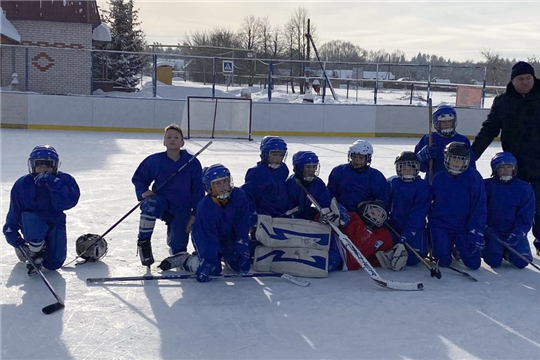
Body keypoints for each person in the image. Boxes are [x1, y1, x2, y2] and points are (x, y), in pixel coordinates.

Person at [471, 61, 540, 256]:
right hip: (512, 166)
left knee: (539, 207)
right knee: (508, 207)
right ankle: (506, 243)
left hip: (539, 164)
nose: (525, 82)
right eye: (521, 79)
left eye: (529, 78)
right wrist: (472, 155)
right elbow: (489, 129)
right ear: (513, 81)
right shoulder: (503, 102)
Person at [157, 164, 251, 283]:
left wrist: (241, 243)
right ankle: (186, 260)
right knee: (213, 270)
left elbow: (242, 221)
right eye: (217, 184)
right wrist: (208, 260)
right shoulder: (205, 207)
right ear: (209, 187)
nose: (222, 187)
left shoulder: (239, 195)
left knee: (241, 266)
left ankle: (225, 255)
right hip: (206, 238)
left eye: (225, 182)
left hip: (228, 236)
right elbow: (206, 237)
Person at [132, 123, 204, 267]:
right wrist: (143, 191)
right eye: (169, 137)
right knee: (150, 205)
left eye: (176, 137)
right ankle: (144, 243)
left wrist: (195, 214)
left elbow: (198, 190)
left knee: (178, 247)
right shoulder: (155, 160)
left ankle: (176, 257)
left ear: (182, 142)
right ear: (164, 141)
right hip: (161, 203)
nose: (172, 139)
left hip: (182, 208)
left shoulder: (192, 162)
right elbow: (139, 178)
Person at [3, 145, 80, 275]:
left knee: (53, 264)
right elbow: (15, 209)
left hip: (55, 222)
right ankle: (34, 250)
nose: (43, 169)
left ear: (55, 166)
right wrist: (11, 230)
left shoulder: (64, 180)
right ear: (32, 165)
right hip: (32, 223)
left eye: (48, 165)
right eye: (39, 165)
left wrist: (55, 184)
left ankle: (41, 248)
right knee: (31, 218)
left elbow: (68, 203)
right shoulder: (22, 184)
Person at [429, 142, 486, 270]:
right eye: (453, 158)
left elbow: (479, 206)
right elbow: (430, 203)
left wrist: (476, 230)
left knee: (473, 264)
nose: (456, 162)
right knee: (443, 261)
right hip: (441, 225)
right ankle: (444, 247)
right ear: (446, 158)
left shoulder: (473, 177)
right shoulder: (438, 178)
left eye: (460, 160)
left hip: (464, 226)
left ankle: (459, 249)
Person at [483, 152, 534, 269]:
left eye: (509, 167)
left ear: (514, 168)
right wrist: (485, 228)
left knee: (521, 262)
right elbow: (480, 209)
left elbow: (526, 215)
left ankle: (508, 252)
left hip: (513, 230)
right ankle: (495, 250)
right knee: (493, 261)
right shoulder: (486, 186)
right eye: (501, 167)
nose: (506, 170)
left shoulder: (524, 188)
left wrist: (519, 232)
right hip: (493, 231)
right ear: (495, 169)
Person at [387, 151, 431, 266]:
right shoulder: (392, 183)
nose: (407, 172)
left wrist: (406, 236)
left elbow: (419, 215)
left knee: (413, 260)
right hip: (394, 227)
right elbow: (385, 204)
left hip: (414, 229)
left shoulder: (422, 187)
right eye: (403, 168)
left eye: (410, 168)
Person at [341, 200, 407, 272]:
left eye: (379, 215)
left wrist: (390, 258)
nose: (375, 217)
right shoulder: (354, 219)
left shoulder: (383, 236)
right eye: (372, 213)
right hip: (339, 250)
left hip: (348, 264)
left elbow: (375, 258)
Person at [415, 105, 476, 180]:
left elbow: (470, 167)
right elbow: (417, 168)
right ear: (436, 123)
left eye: (450, 121)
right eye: (443, 122)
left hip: (458, 182)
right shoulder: (429, 139)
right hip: (434, 183)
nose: (447, 124)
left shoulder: (462, 140)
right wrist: (421, 159)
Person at [328, 139, 389, 211]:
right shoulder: (339, 171)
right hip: (341, 215)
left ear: (368, 158)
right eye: (354, 157)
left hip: (365, 217)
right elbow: (330, 194)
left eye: (361, 158)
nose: (357, 161)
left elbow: (382, 202)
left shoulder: (376, 177)